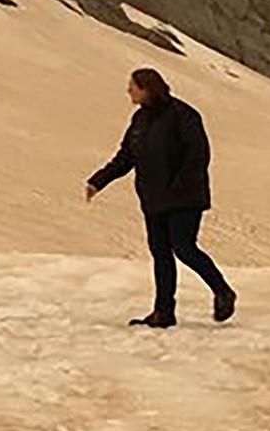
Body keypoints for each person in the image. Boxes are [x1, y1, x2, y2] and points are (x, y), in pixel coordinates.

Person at [85, 67, 237, 328]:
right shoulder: (140, 120)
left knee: (183, 247)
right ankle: (163, 312)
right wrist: (98, 181)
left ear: (146, 88)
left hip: (184, 198)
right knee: (161, 253)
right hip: (154, 199)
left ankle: (223, 291)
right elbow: (126, 157)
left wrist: (178, 187)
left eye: (132, 86)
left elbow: (197, 156)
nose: (128, 91)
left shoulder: (183, 115)